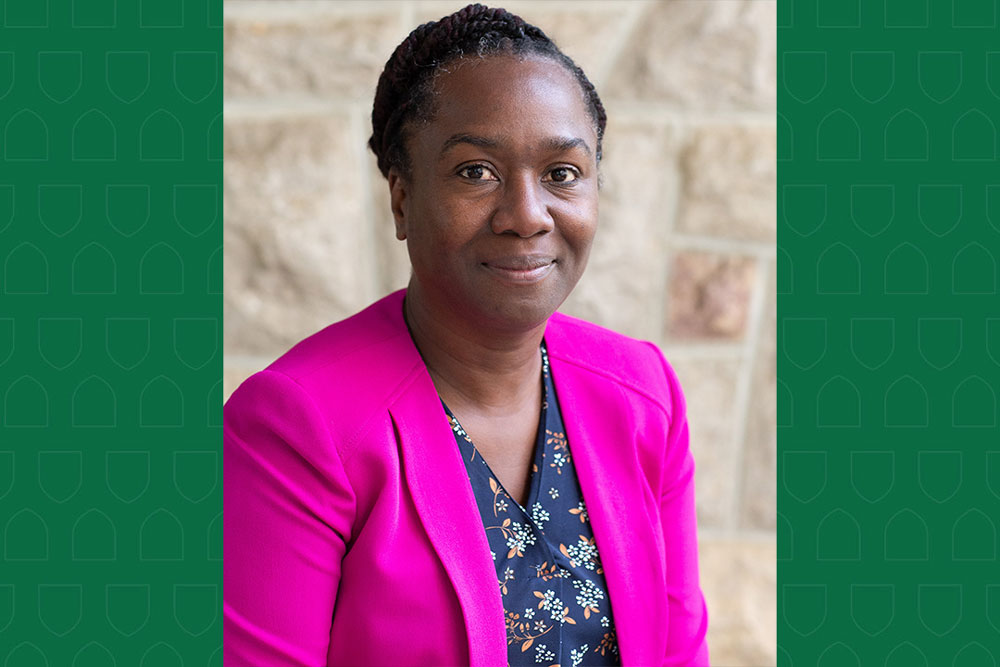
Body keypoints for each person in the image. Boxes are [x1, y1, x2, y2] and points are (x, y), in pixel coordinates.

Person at [223, 4, 709, 666]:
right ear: (402, 198)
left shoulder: (642, 395)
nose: (527, 215)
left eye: (561, 173)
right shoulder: (297, 426)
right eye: (475, 171)